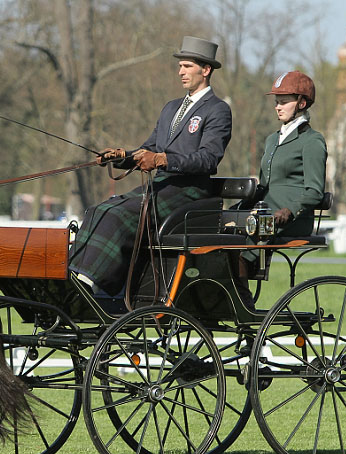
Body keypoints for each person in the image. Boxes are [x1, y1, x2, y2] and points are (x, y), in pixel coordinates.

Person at [69, 36, 232, 296]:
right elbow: (150, 149)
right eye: (180, 66)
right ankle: (76, 275)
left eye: (187, 66)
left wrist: (163, 160)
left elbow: (208, 159)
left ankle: (95, 283)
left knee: (116, 215)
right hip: (162, 186)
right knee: (97, 210)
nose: (181, 71)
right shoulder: (171, 108)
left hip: (189, 193)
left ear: (206, 69)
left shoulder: (218, 110)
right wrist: (121, 157)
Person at [236, 70, 327, 306]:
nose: (278, 107)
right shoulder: (271, 140)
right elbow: (263, 185)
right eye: (277, 101)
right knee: (222, 235)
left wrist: (289, 211)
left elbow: (315, 191)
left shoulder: (312, 141)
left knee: (240, 245)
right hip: (263, 214)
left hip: (290, 218)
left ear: (302, 103)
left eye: (284, 101)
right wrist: (235, 209)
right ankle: (230, 299)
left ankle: (243, 304)